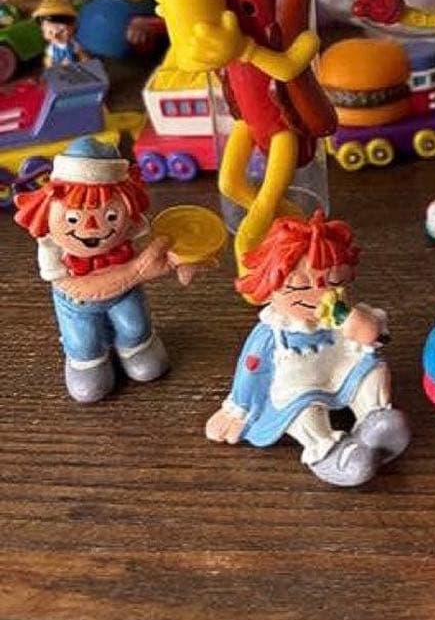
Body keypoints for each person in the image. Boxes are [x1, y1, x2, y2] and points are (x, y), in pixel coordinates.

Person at [205, 211, 410, 486]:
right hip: (300, 387)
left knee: (374, 371)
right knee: (304, 412)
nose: (320, 295)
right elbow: (251, 371)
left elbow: (378, 338)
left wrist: (363, 328)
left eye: (333, 282)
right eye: (300, 286)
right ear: (271, 286)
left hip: (341, 369)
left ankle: (374, 419)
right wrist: (239, 408)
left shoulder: (344, 315)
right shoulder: (273, 333)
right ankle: (328, 451)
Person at [13, 138, 195, 403]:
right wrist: (138, 271)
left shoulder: (132, 229)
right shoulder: (52, 248)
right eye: (74, 219)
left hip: (125, 296)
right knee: (84, 342)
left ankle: (136, 347)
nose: (91, 229)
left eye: (110, 216)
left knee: (135, 326)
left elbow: (163, 249)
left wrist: (185, 257)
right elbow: (76, 288)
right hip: (77, 305)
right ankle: (88, 361)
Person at [32, 0, 88, 67]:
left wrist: (85, 61)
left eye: (61, 31)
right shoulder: (52, 48)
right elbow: (48, 59)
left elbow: (81, 54)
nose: (55, 37)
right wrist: (49, 66)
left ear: (71, 28)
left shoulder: (73, 44)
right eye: (50, 32)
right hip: (58, 69)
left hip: (73, 67)